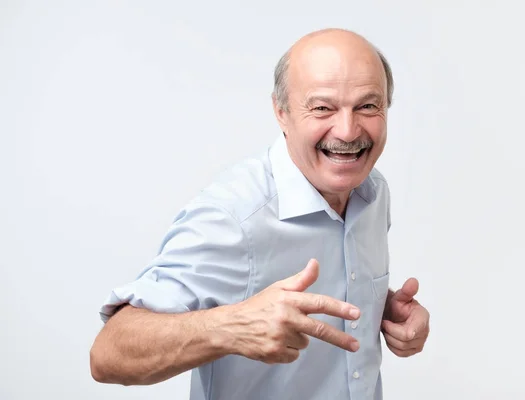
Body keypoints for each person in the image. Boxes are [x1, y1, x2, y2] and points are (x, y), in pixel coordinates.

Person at [90, 28, 430, 400]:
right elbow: (108, 353)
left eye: (367, 105)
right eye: (322, 108)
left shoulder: (372, 191)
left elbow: (336, 282)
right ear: (281, 113)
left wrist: (382, 310)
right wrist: (229, 327)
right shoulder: (234, 217)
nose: (348, 131)